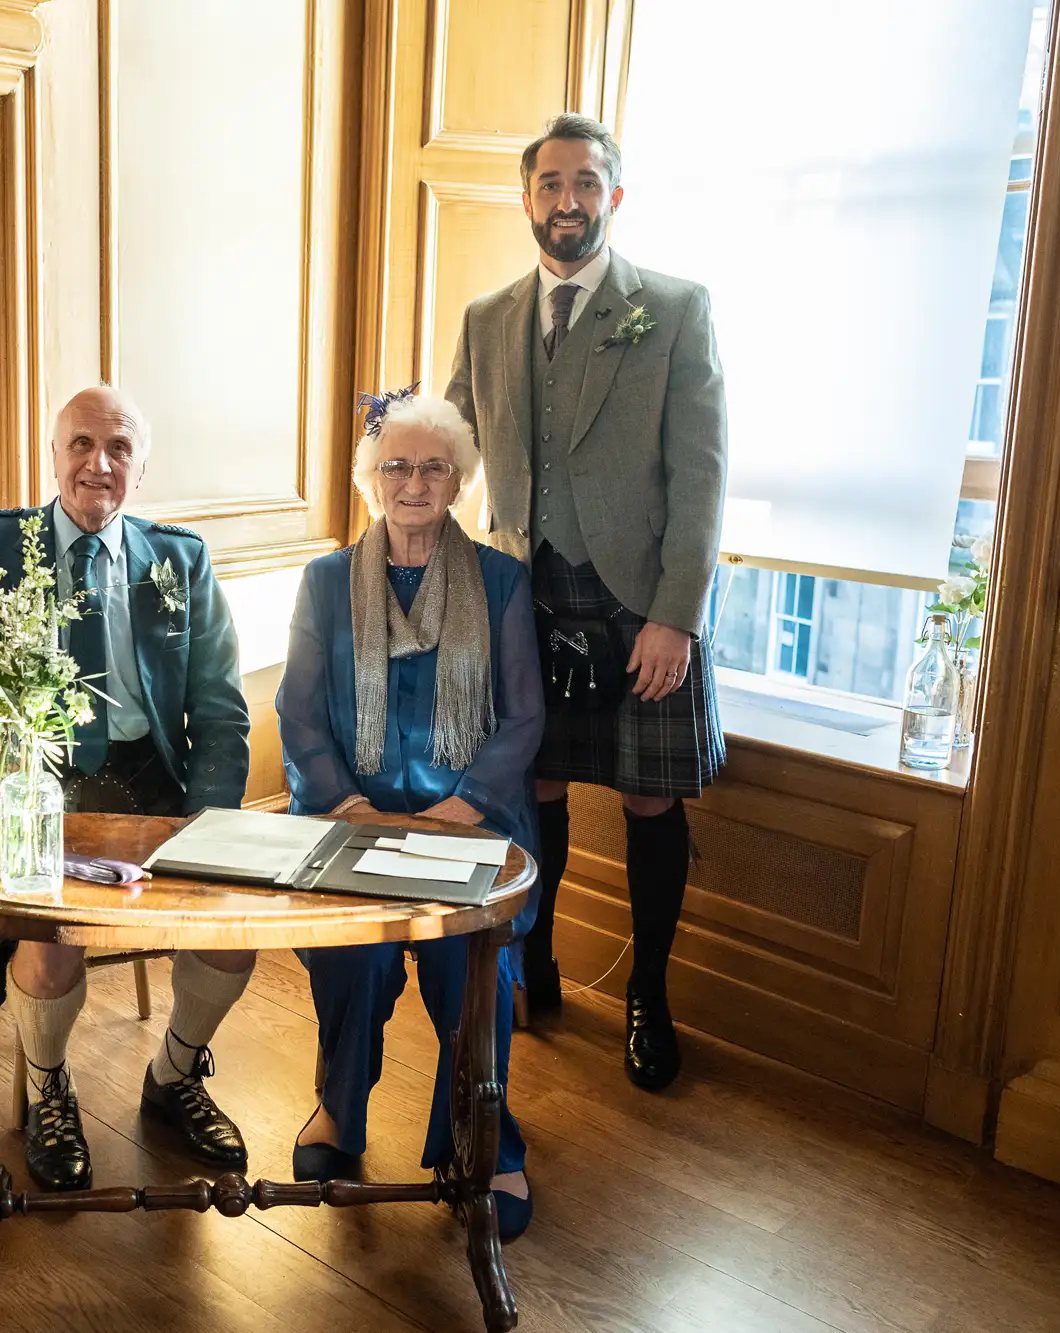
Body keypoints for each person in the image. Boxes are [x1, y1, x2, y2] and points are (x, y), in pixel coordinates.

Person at [445, 112, 728, 1092]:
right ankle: (537, 961)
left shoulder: (675, 309)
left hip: (636, 602)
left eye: (585, 183)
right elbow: (452, 445)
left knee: (650, 796)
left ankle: (647, 993)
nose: (566, 200)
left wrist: (675, 617)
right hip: (525, 593)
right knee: (537, 791)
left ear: (613, 195)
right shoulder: (486, 319)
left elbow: (700, 475)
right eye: (549, 183)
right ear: (525, 199)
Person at [0, 386, 254, 1193]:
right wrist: (11, 797)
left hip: (152, 784)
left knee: (236, 931)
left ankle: (174, 1073)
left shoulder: (182, 559)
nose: (96, 463)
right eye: (79, 443)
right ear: (52, 453)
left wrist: (208, 829)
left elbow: (220, 712)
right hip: (34, 781)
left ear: (139, 471)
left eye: (117, 448)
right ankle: (48, 1087)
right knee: (46, 933)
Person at [276, 390, 544, 1242]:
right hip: (352, 823)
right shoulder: (324, 582)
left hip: (470, 825)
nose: (414, 482)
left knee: (469, 967)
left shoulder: (501, 582)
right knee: (352, 963)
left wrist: (463, 808)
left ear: (458, 481)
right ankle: (337, 1110)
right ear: (372, 479)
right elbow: (300, 713)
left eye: (433, 466)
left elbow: (523, 718)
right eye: (397, 465)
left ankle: (485, 1137)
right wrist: (349, 805)